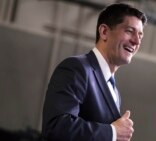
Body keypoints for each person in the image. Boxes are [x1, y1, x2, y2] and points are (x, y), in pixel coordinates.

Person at [42, 3, 147, 141]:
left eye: (140, 35)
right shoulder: (76, 68)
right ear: (104, 32)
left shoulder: (115, 92)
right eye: (129, 31)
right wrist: (112, 132)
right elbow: (57, 127)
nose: (136, 41)